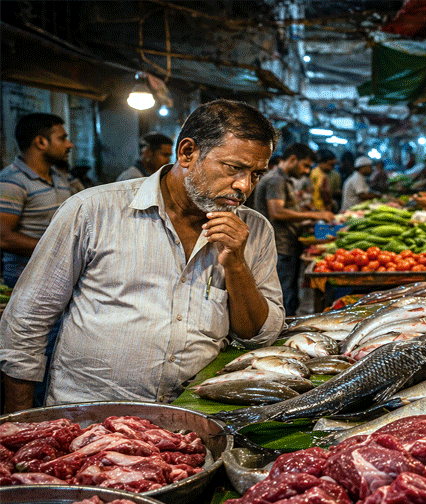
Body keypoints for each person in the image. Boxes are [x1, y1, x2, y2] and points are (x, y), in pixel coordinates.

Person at [0, 99, 285, 412]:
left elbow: (258, 336)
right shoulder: (93, 211)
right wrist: (20, 420)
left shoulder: (254, 231)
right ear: (188, 152)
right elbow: (26, 322)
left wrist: (236, 265)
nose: (244, 186)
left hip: (192, 422)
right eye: (233, 168)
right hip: (88, 419)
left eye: (256, 174)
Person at [252, 143, 332, 317]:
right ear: (293, 159)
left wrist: (303, 221)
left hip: (286, 244)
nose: (306, 171)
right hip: (279, 246)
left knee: (289, 294)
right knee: (282, 297)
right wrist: (316, 214)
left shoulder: (283, 180)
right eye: (305, 166)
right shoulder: (276, 180)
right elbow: (277, 212)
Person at [0, 113, 75, 288]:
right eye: (62, 138)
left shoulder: (60, 178)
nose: (69, 144)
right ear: (41, 142)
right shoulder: (12, 181)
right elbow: (3, 238)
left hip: (58, 279)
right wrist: (59, 249)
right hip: (26, 282)